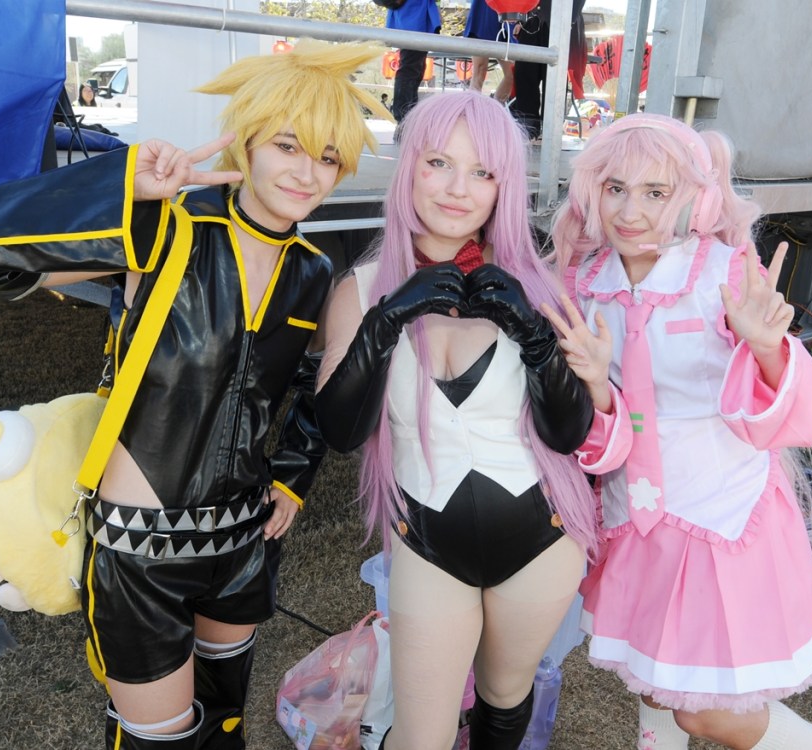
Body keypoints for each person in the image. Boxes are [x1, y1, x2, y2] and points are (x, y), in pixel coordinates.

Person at [0, 39, 390, 750]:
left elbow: (311, 385)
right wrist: (117, 186)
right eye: (288, 145)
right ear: (246, 138)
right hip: (137, 548)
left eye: (330, 157)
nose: (309, 173)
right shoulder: (166, 227)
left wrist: (295, 477)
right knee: (162, 740)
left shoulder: (312, 270)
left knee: (227, 723)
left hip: (243, 540)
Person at [545, 113, 812, 749]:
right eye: (616, 188)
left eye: (654, 192)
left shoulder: (725, 272)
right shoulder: (585, 280)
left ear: (694, 198)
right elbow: (593, 412)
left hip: (718, 514)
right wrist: (592, 387)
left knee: (703, 710)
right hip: (632, 513)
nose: (630, 211)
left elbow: (794, 406)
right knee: (652, 685)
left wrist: (768, 350)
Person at [314, 91, 597, 750]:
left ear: (505, 186)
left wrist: (535, 337)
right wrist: (382, 325)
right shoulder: (358, 291)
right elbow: (340, 429)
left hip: (542, 541)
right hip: (426, 546)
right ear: (410, 166)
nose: (457, 189)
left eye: (483, 171)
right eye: (439, 162)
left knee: (504, 697)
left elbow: (567, 433)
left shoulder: (543, 288)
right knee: (422, 737)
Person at [508, 0, 587, 139]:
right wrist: (520, 19)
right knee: (525, 74)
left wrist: (570, 19)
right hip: (532, 21)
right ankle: (528, 128)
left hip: (562, 20)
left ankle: (551, 130)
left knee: (554, 79)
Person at [385, 0, 441, 124]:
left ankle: (407, 118)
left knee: (415, 68)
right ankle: (404, 119)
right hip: (413, 17)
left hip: (415, 16)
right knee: (411, 68)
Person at [462, 0, 515, 104]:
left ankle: (496, 109)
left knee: (512, 73)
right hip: (483, 11)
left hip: (507, 12)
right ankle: (472, 109)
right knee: (480, 69)